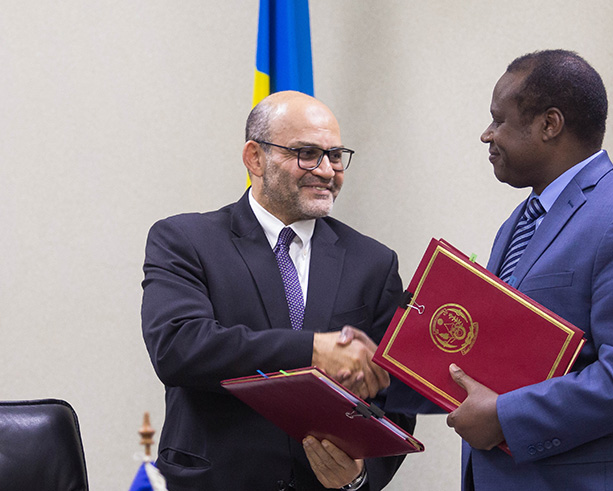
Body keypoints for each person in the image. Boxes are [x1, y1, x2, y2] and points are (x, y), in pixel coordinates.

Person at [141, 91, 414, 491]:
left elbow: (396, 392)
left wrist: (359, 478)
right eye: (307, 153)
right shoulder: (185, 239)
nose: (326, 170)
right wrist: (311, 350)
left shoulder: (373, 262)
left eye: (335, 156)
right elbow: (179, 347)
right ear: (255, 158)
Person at [444, 50, 613, 490]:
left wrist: (505, 417)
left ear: (549, 125)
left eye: (498, 120)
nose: (487, 134)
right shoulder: (518, 222)